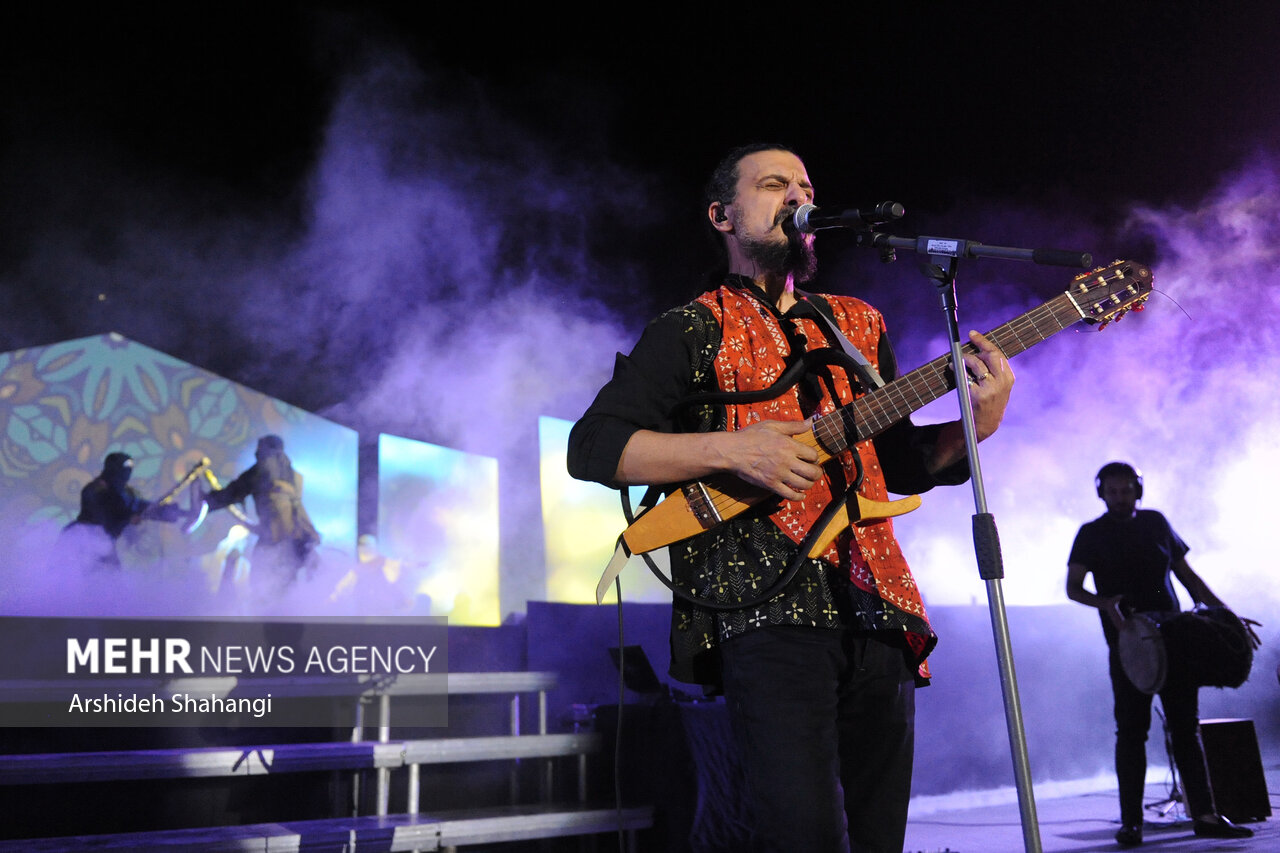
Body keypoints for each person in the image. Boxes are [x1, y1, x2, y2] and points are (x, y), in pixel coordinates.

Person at [567, 144, 1014, 853]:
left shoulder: (856, 324)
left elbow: (901, 464)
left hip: (878, 605)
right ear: (722, 214)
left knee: (877, 838)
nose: (799, 196)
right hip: (765, 612)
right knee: (804, 837)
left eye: (806, 185)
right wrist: (733, 448)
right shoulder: (692, 326)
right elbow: (592, 446)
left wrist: (975, 427)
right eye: (774, 185)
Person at [1066, 461, 1253, 846]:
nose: (1120, 498)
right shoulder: (1091, 534)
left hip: (1176, 639)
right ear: (1101, 493)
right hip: (1130, 645)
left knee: (1186, 728)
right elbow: (1073, 588)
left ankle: (1205, 814)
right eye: (1113, 491)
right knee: (1132, 733)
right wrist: (1105, 603)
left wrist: (1227, 616)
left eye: (1127, 490)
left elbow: (1188, 577)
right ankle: (1131, 823)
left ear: (1139, 490)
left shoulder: (1156, 522)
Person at [203, 435, 320, 596]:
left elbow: (232, 493)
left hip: (271, 544)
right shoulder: (295, 476)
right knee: (285, 597)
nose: (257, 453)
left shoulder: (262, 469)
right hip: (292, 545)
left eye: (259, 449)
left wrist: (206, 501)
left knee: (264, 597)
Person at [61, 452, 186, 569]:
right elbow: (109, 507)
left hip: (104, 544)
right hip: (83, 541)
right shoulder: (96, 489)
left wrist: (172, 512)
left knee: (111, 581)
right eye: (123, 470)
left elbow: (140, 506)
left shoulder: (123, 493)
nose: (125, 476)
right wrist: (128, 516)